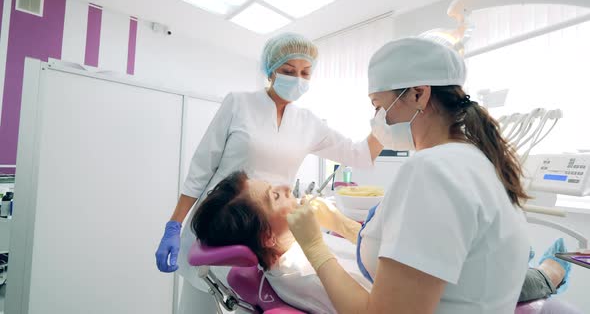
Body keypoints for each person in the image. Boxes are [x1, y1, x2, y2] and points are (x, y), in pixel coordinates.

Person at [286, 37, 532, 313]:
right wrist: (342, 224)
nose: (378, 118)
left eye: (378, 106)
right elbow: (416, 249)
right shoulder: (477, 161)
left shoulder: (432, 170)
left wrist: (315, 247)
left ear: (418, 94)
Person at [154, 33, 383, 314]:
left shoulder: (309, 122)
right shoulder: (238, 104)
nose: (297, 78)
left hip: (263, 234)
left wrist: (388, 116)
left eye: (305, 72)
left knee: (247, 304)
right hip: (219, 224)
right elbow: (201, 169)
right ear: (271, 70)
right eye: (288, 71)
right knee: (197, 303)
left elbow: (359, 153)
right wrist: (174, 226)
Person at [192, 171, 571, 314]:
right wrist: (318, 244)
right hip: (431, 296)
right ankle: (549, 274)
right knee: (503, 273)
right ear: (267, 235)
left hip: (401, 272)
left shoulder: (293, 250)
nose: (284, 186)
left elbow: (366, 255)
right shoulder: (300, 269)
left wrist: (336, 224)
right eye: (273, 196)